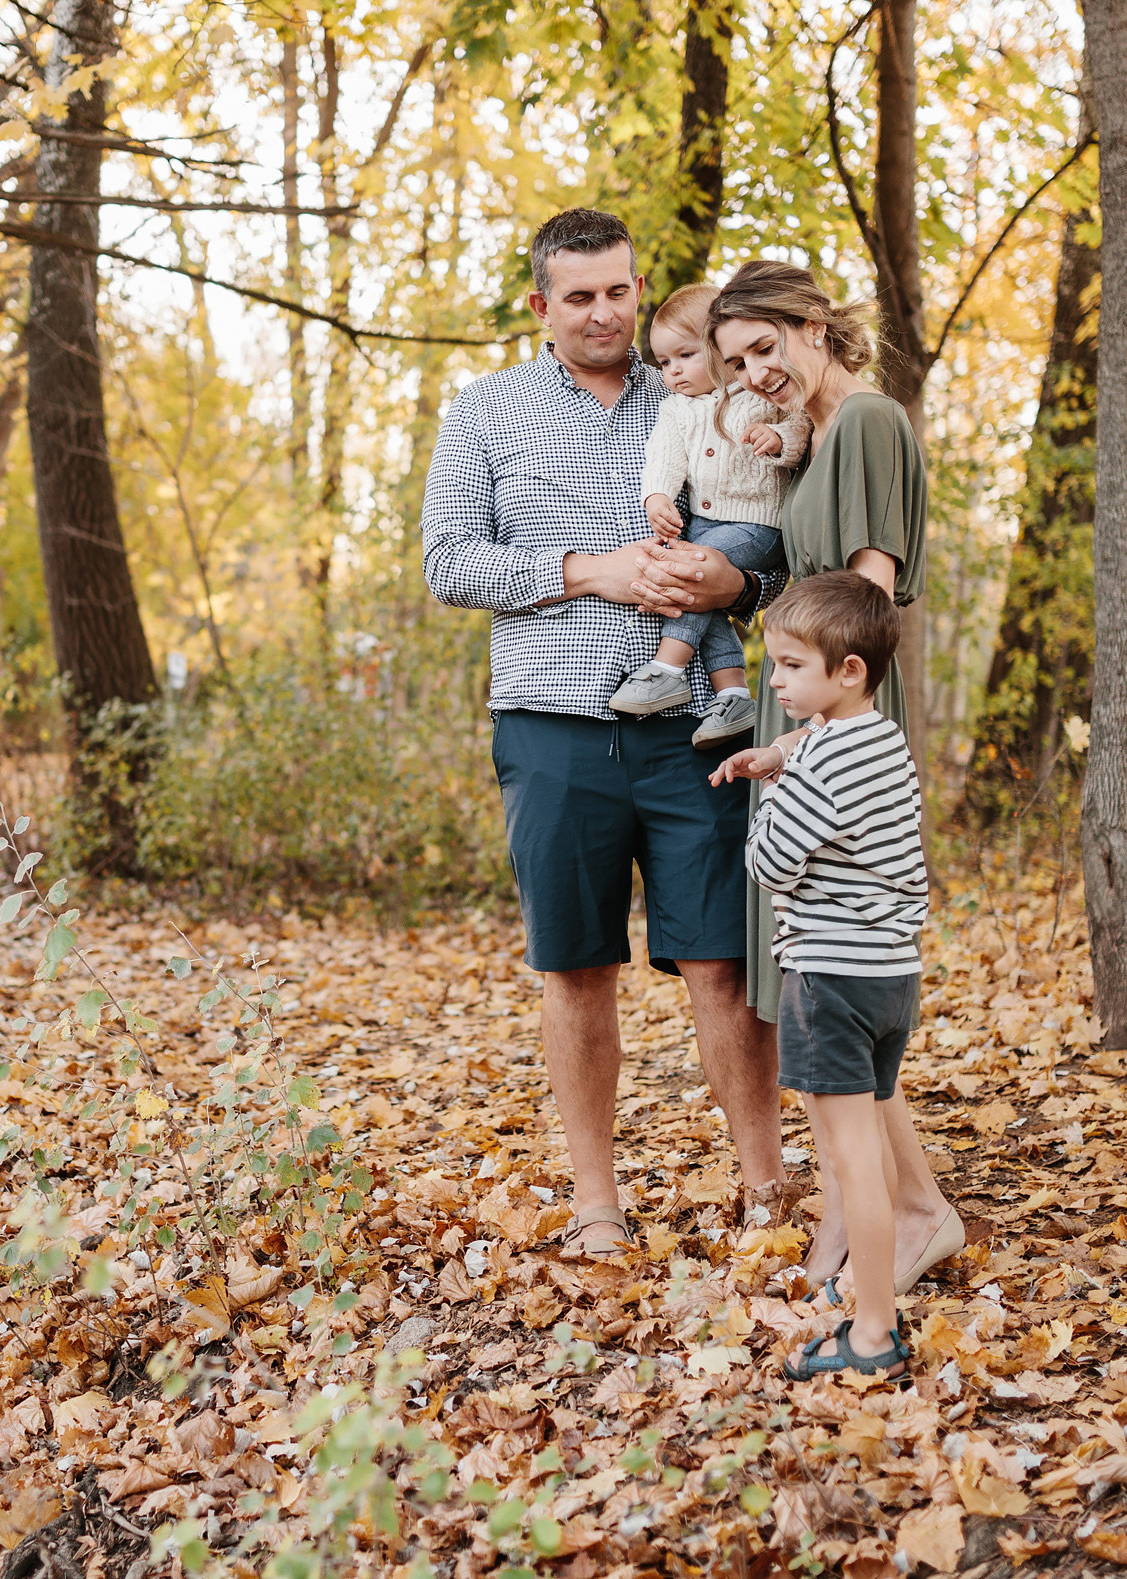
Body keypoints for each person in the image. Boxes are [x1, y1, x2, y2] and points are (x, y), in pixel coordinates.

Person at [420, 209, 786, 1258]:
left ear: (638, 287)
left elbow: (774, 532)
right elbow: (448, 562)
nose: (603, 313)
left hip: (698, 729)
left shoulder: (700, 388)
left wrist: (734, 583)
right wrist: (592, 571)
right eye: (579, 296)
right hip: (552, 729)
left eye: (618, 291)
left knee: (722, 963)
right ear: (542, 305)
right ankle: (596, 1203)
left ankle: (765, 1192)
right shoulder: (484, 410)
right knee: (577, 970)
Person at [697, 257, 965, 1308]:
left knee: (832, 983)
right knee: (798, 977)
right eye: (734, 362)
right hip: (799, 717)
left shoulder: (864, 423)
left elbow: (865, 603)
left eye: (765, 347)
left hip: (830, 725)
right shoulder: (811, 436)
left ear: (814, 325)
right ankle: (862, 1205)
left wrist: (815, 747)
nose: (753, 373)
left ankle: (910, 1210)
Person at [739, 572, 927, 1381]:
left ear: (848, 670)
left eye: (790, 666)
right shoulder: (881, 740)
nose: (775, 682)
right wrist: (783, 753)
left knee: (854, 1165)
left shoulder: (819, 767)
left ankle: (874, 1332)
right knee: (867, 1147)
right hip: (890, 976)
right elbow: (813, 744)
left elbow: (769, 862)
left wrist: (772, 789)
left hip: (829, 977)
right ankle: (866, 1307)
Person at [612, 283, 808, 749]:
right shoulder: (675, 409)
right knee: (707, 598)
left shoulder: (757, 392)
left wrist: (779, 440)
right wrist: (657, 497)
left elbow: (800, 423)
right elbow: (664, 458)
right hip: (703, 526)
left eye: (686, 355)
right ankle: (734, 695)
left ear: (720, 349)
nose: (674, 371)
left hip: (758, 524)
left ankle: (668, 668)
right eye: (664, 363)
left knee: (691, 572)